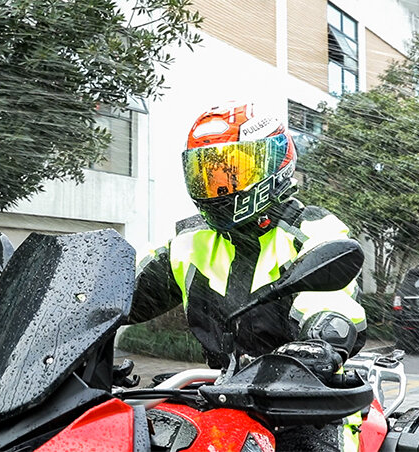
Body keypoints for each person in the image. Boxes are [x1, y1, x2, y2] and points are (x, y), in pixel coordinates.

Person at [128, 101, 367, 452]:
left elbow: (331, 298)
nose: (219, 186)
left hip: (305, 402)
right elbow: (122, 288)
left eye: (233, 172)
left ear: (274, 165)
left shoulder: (312, 231)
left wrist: (319, 338)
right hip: (219, 395)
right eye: (208, 174)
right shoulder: (188, 241)